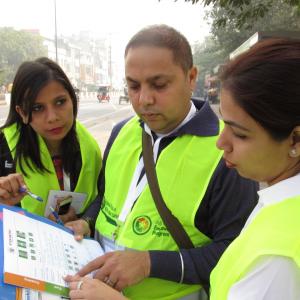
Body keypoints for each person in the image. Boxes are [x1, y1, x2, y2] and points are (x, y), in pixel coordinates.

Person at [65, 24, 258, 299]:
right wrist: (87, 221)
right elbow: (105, 198)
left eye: (159, 84)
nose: (144, 99)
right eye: (133, 86)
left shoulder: (227, 150)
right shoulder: (122, 131)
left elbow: (234, 251)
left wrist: (149, 263)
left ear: (191, 78)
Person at [209, 38, 300, 299]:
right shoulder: (279, 203)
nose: (221, 142)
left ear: (295, 139)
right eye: (224, 124)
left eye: (239, 134)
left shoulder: (278, 255)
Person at [0, 57, 101, 221]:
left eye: (60, 102)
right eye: (37, 108)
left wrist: (84, 221)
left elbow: (101, 198)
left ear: (73, 100)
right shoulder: (4, 149)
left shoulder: (89, 147)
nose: (52, 117)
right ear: (22, 113)